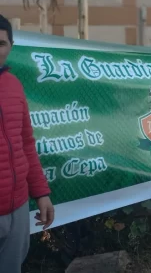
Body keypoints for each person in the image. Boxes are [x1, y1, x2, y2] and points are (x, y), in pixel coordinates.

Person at [0, 14, 55, 273]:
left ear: (11, 46)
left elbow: (26, 144)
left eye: (1, 43)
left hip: (18, 206)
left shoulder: (14, 85)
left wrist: (41, 194)